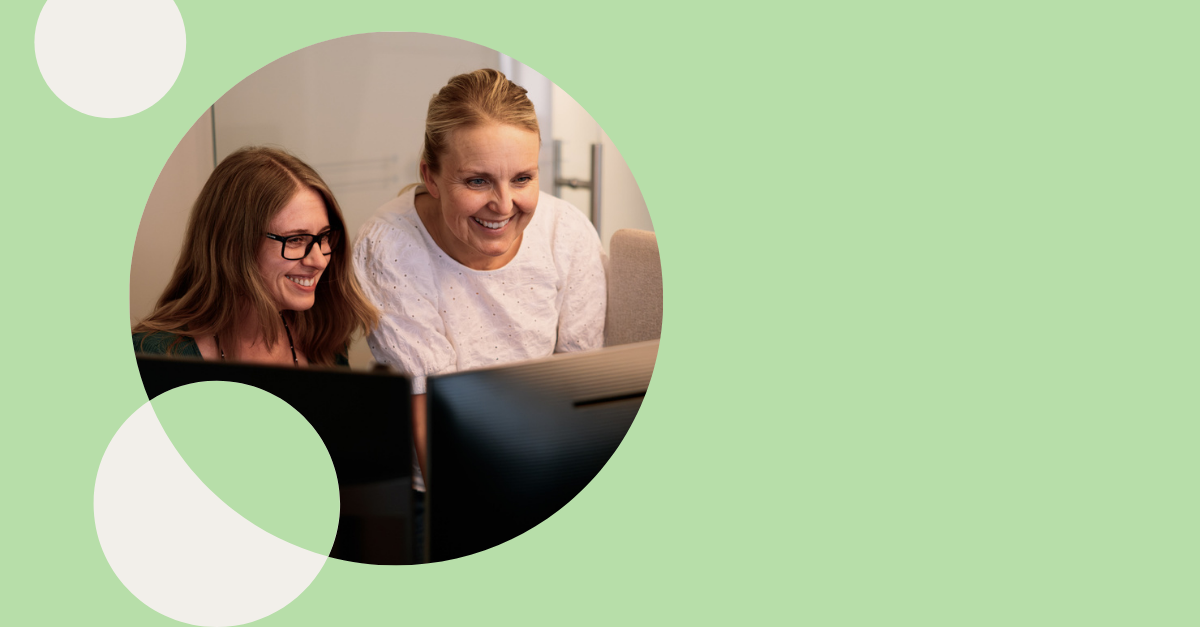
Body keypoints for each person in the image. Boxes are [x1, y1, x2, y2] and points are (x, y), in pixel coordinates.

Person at [353, 69, 607, 483]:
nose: (503, 205)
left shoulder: (567, 232)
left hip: (549, 465)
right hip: (442, 489)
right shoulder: (389, 248)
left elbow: (580, 384)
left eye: (522, 178)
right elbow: (430, 411)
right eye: (477, 181)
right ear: (431, 177)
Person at [134, 146, 377, 367]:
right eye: (295, 240)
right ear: (234, 245)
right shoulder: (155, 355)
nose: (319, 261)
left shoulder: (324, 338)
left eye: (323, 237)